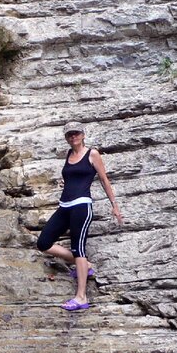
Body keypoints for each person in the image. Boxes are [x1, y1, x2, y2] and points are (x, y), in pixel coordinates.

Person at [36, 122, 124, 311]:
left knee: (79, 249)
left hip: (81, 207)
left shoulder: (92, 154)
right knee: (43, 242)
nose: (73, 137)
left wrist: (114, 205)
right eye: (69, 135)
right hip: (64, 206)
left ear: (83, 135)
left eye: (76, 133)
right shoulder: (69, 154)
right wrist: (65, 182)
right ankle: (85, 265)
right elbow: (72, 177)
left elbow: (103, 179)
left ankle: (81, 297)